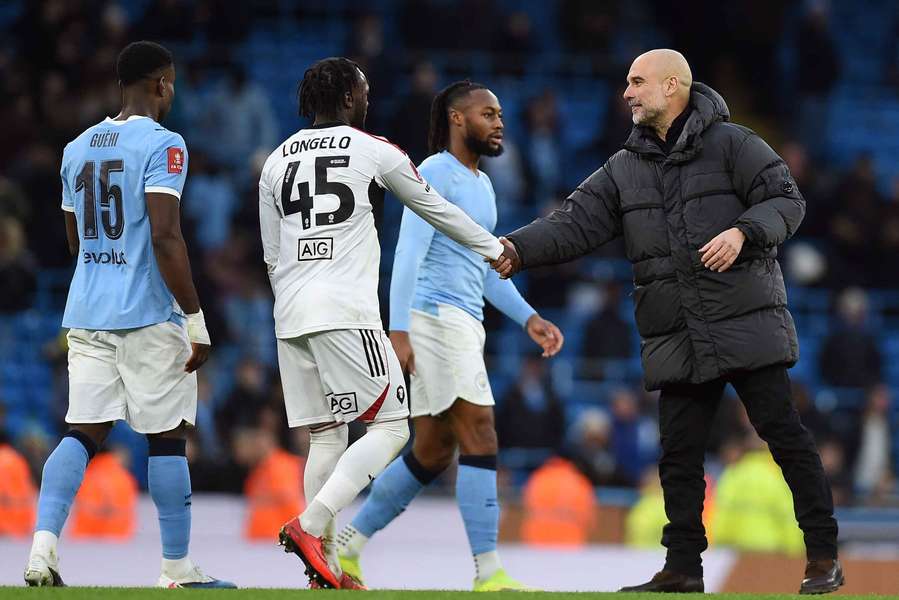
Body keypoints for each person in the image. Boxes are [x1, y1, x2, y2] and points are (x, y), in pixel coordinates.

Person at [494, 49, 842, 595]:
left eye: (637, 82)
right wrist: (516, 248)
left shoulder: (735, 143)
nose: (627, 93)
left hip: (743, 321)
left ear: (673, 85)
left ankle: (823, 557)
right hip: (677, 330)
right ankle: (683, 569)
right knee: (678, 457)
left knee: (783, 439)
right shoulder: (623, 168)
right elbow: (573, 223)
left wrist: (744, 232)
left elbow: (786, 198)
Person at [258, 58, 514, 590]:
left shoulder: (276, 160)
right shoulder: (373, 149)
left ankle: (323, 566)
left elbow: (270, 255)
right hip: (347, 312)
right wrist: (493, 246)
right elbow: (432, 207)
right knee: (393, 427)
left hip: (290, 313)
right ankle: (309, 528)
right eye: (365, 90)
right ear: (350, 98)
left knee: (326, 438)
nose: (369, 98)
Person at [334, 81, 563, 592]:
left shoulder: (481, 185)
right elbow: (410, 251)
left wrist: (528, 317)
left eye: (501, 113)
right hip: (435, 319)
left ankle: (346, 544)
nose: (499, 122)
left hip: (460, 319)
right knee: (480, 430)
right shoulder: (435, 171)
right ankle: (489, 572)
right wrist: (399, 330)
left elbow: (480, 268)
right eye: (488, 113)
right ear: (458, 119)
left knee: (434, 450)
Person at [24, 41, 234, 588]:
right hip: (147, 313)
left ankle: (42, 550)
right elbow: (166, 237)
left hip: (88, 314)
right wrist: (194, 319)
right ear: (162, 83)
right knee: (166, 437)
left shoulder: (77, 147)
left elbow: (76, 241)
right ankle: (176, 568)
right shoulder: (166, 144)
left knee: (81, 432)